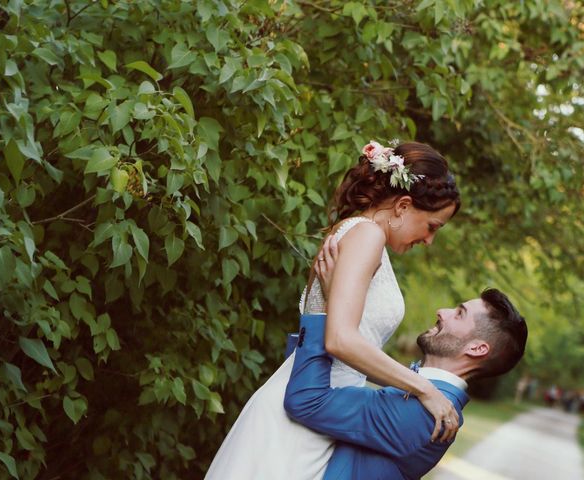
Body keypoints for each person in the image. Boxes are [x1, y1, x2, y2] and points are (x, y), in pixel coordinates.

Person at [205, 141, 461, 479]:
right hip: (299, 416)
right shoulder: (367, 235)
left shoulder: (361, 235)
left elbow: (351, 344)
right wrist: (424, 388)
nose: (429, 241)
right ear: (402, 205)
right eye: (432, 227)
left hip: (321, 410)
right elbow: (340, 340)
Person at [285, 289, 528, 479]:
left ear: (476, 348)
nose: (442, 311)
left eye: (459, 313)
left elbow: (306, 401)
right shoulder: (427, 395)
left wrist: (318, 305)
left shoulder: (425, 415)